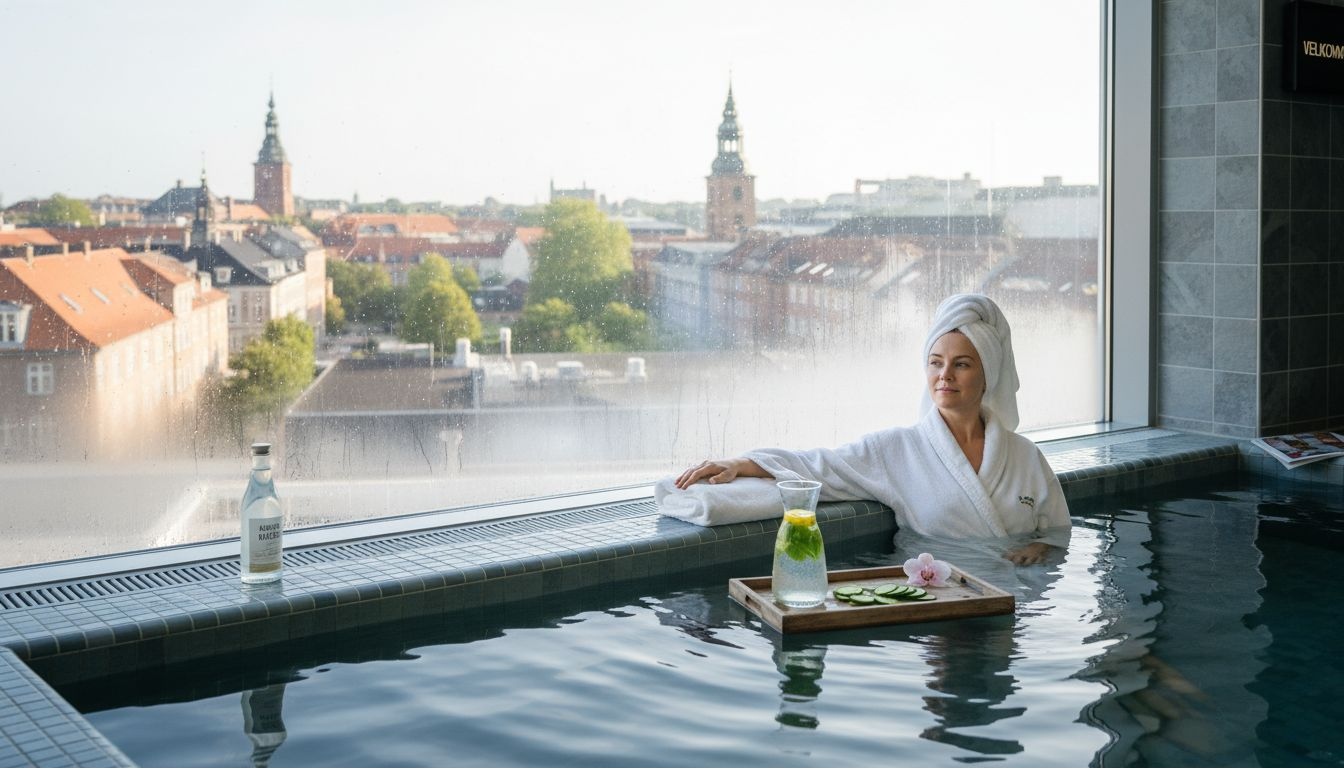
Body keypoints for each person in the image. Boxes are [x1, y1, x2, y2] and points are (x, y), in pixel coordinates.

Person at [672, 293, 1069, 565]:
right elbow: (819, 465)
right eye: (935, 362)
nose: (944, 375)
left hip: (1015, 600)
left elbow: (1058, 532)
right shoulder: (898, 450)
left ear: (988, 374)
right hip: (935, 599)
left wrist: (1038, 548)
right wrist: (743, 463)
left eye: (961, 364)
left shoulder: (1024, 456)